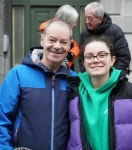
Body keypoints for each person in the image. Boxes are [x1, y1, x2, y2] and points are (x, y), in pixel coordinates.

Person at [0, 20, 77, 150]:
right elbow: (2, 118)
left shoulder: (74, 79)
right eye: (52, 40)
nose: (57, 46)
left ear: (69, 46)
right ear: (42, 40)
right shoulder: (18, 75)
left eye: (63, 42)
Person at [66, 35, 132, 150]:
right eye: (89, 56)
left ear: (112, 60)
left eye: (102, 55)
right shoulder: (73, 94)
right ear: (84, 63)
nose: (96, 60)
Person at [79, 2, 131, 77]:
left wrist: (114, 77)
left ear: (100, 18)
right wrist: (87, 76)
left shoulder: (116, 31)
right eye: (86, 17)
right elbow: (81, 58)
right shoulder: (84, 34)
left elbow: (124, 57)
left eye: (90, 18)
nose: (87, 21)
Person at [37, 4, 80, 70]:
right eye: (52, 40)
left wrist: (71, 54)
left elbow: (74, 45)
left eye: (63, 42)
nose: (75, 24)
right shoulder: (50, 30)